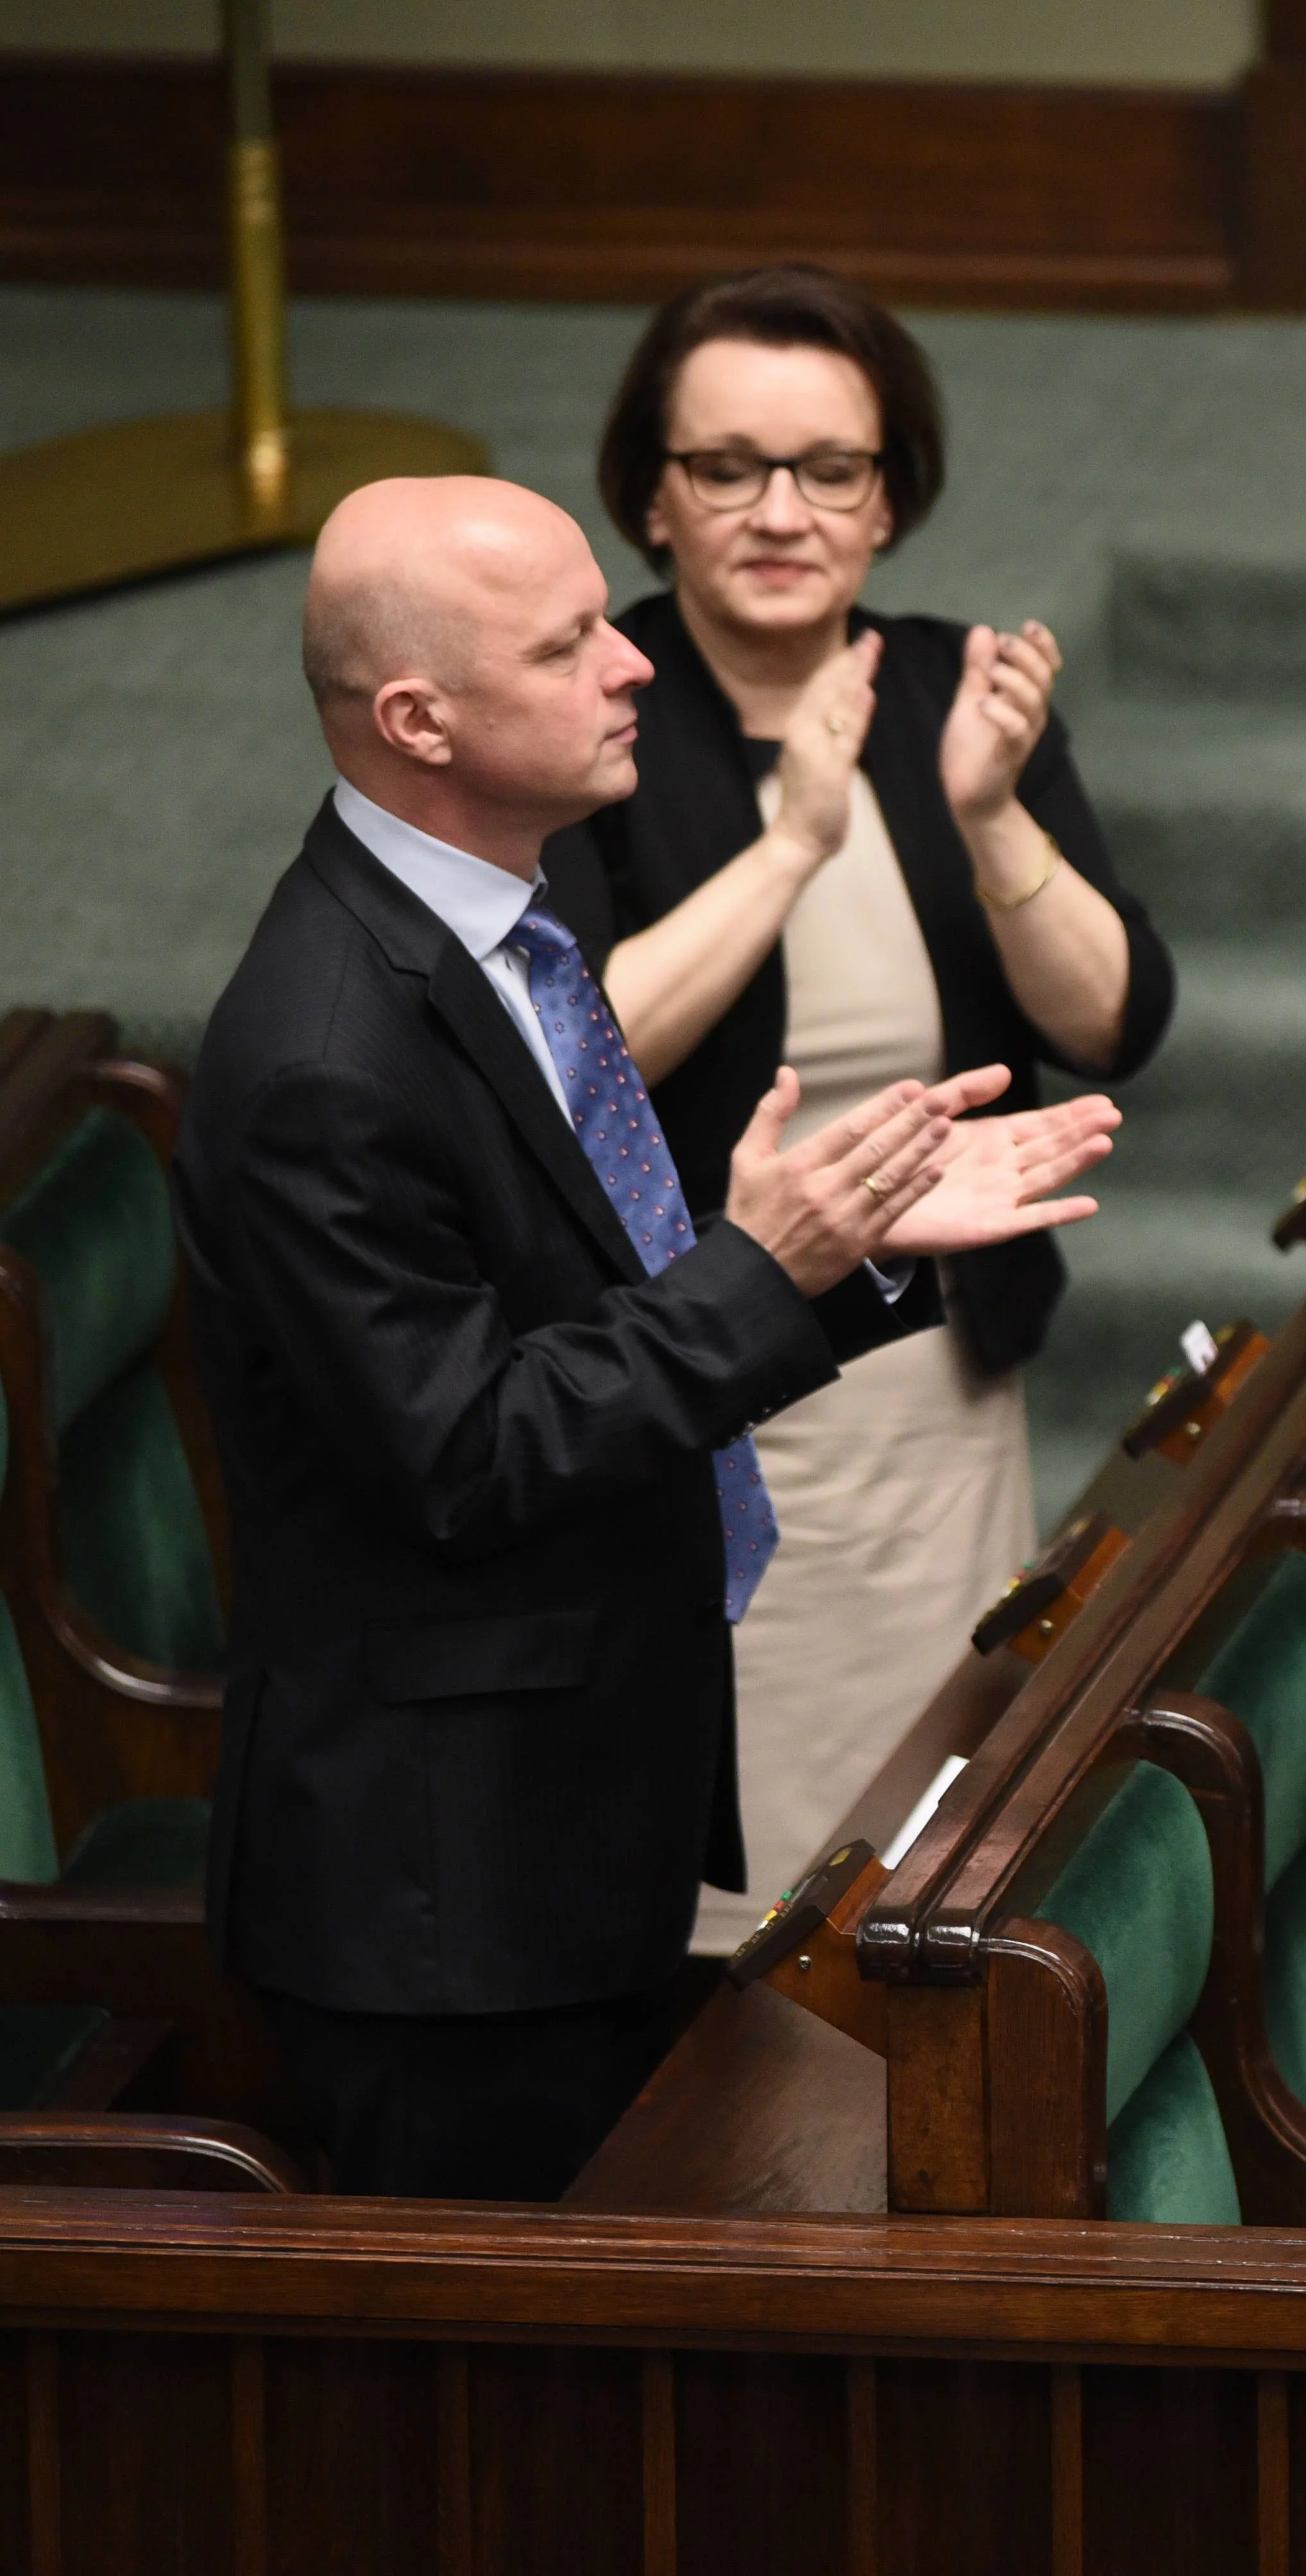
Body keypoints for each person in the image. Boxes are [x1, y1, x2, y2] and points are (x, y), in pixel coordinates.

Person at [174, 477, 1119, 2198]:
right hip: (445, 1907)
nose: (632, 666)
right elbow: (471, 1453)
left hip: (571, 1829)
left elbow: (592, 1318)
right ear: (418, 719)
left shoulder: (513, 935)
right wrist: (771, 1261)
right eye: (570, 645)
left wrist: (842, 1252)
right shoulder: (326, 1050)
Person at [550, 266, 1176, 1943]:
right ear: (650, 495)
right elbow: (571, 1058)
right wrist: (794, 842)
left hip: (929, 1376)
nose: (782, 511)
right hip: (696, 1380)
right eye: (727, 467)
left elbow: (1112, 1016)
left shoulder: (956, 686)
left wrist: (986, 816)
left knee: (931, 1840)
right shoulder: (588, 702)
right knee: (741, 1875)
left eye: (831, 468)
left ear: (890, 496)